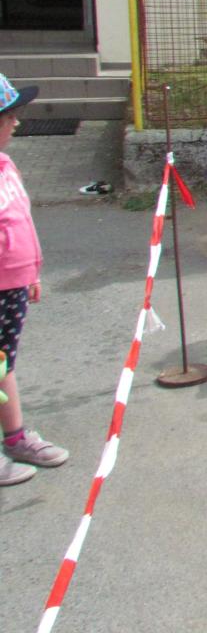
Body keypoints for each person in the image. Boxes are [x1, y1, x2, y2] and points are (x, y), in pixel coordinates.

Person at [0, 74, 70, 487]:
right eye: (8, 117)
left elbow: (21, 221)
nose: (16, 123)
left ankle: (15, 437)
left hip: (12, 284)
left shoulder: (6, 166)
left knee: (3, 362)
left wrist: (31, 272)